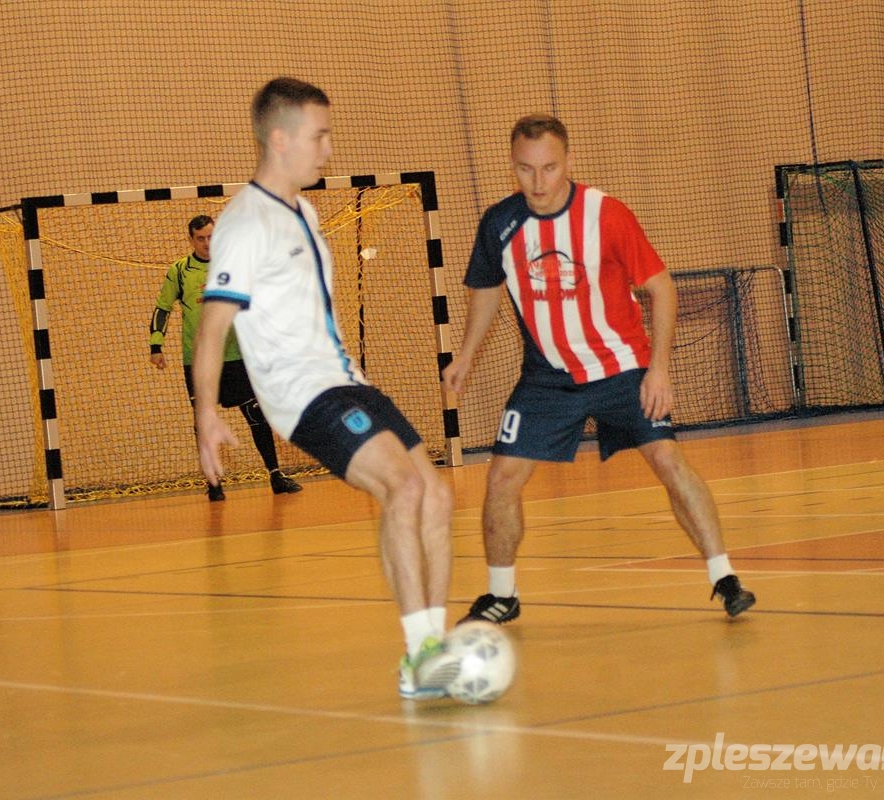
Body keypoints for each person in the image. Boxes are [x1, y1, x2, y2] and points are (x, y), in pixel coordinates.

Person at [191, 76, 460, 699]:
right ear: (280, 139)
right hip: (301, 393)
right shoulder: (244, 224)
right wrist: (207, 413)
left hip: (347, 380)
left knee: (438, 498)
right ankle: (421, 657)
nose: (328, 149)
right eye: (320, 135)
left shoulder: (304, 210)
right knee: (404, 486)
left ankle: (435, 649)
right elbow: (212, 331)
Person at [444, 113, 756, 624]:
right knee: (501, 479)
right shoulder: (500, 223)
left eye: (549, 168)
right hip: (547, 379)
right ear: (512, 166)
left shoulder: (606, 214)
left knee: (670, 463)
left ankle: (724, 577)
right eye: (526, 170)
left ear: (568, 161)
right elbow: (486, 291)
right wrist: (466, 356)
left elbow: (661, 288)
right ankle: (503, 594)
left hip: (624, 368)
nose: (539, 183)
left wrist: (658, 369)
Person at [150, 214, 302, 501]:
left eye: (211, 237)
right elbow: (162, 308)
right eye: (200, 238)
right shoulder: (180, 271)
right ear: (191, 240)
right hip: (198, 361)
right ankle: (214, 484)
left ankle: (275, 475)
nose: (207, 243)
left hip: (234, 356)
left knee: (256, 414)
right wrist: (155, 346)